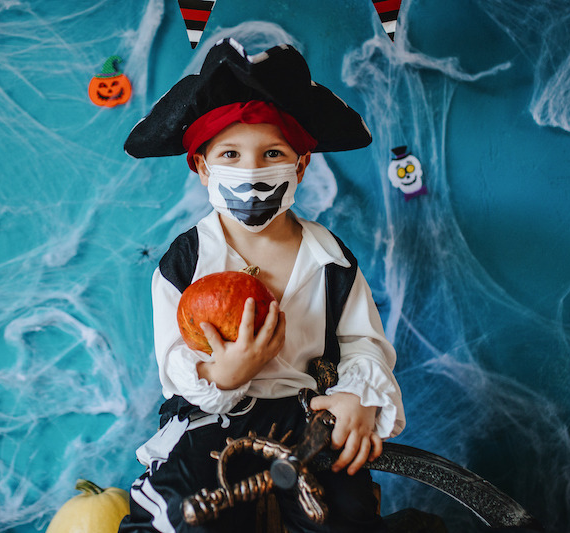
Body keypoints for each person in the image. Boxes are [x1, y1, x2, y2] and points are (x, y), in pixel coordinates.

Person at [119, 38, 405, 533]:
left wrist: (358, 395)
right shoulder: (185, 262)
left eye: (271, 152)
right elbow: (173, 361)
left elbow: (363, 341)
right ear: (203, 166)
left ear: (300, 164)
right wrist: (223, 372)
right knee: (185, 513)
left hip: (310, 420)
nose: (251, 171)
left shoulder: (331, 260)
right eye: (230, 153)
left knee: (344, 516)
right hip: (213, 422)